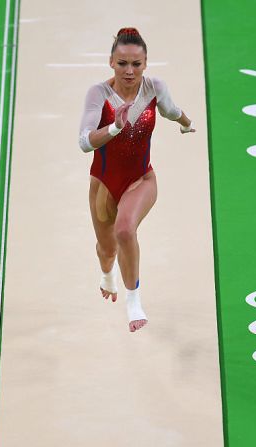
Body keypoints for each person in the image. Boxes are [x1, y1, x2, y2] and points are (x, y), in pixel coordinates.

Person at [78, 27, 195, 332]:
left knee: (125, 230)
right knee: (106, 251)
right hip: (103, 183)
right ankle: (107, 277)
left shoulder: (154, 87)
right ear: (111, 62)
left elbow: (170, 110)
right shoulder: (99, 94)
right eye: (122, 64)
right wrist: (114, 128)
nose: (129, 71)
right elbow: (84, 142)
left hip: (141, 179)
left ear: (145, 64)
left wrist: (186, 123)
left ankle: (134, 302)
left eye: (136, 64)